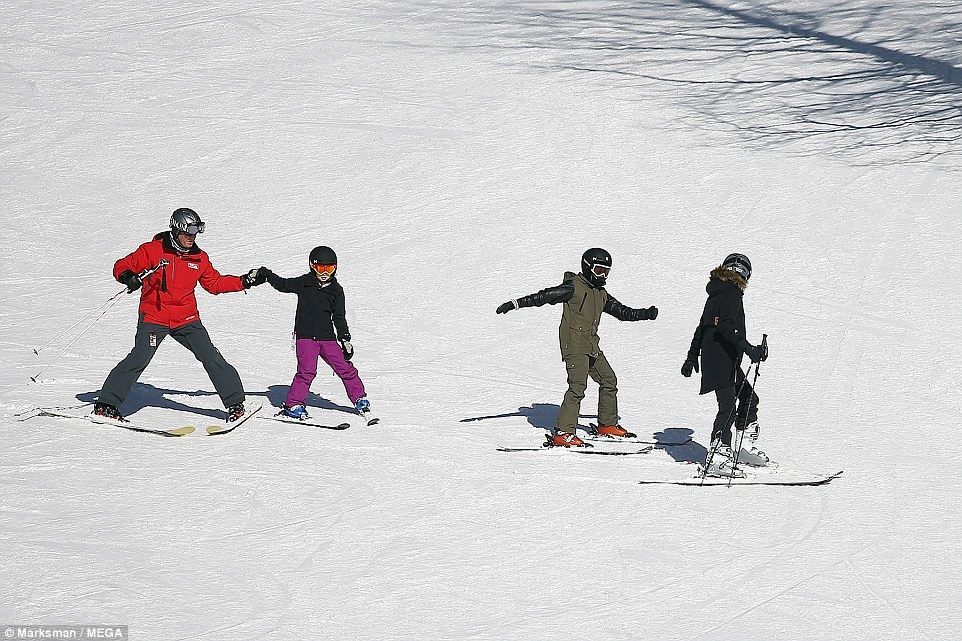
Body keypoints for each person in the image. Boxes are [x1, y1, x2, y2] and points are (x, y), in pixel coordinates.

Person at [94, 208, 266, 422]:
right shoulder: (152, 251)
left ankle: (236, 404)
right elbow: (122, 265)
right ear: (176, 230)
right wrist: (128, 276)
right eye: (187, 233)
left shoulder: (199, 258)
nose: (191, 239)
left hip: (186, 319)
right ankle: (106, 405)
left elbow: (214, 283)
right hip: (154, 317)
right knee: (139, 358)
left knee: (210, 356)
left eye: (195, 234)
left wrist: (244, 281)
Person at [496, 248, 659, 447]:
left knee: (609, 380)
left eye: (606, 271)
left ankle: (606, 424)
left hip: (591, 345)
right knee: (577, 388)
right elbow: (543, 297)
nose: (603, 275)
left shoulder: (601, 294)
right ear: (588, 267)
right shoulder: (573, 287)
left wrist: (644, 314)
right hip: (574, 346)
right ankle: (563, 433)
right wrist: (515, 304)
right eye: (599, 270)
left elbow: (622, 312)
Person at [257, 246, 373, 422]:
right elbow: (282, 284)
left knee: (345, 368)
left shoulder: (336, 291)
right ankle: (293, 405)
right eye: (321, 268)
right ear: (312, 265)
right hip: (305, 337)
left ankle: (359, 399)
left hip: (327, 338)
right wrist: (266, 274)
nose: (325, 272)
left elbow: (339, 317)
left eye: (330, 268)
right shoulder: (304, 283)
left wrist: (345, 339)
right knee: (306, 372)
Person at [681, 253, 769, 476]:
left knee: (749, 397)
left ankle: (743, 448)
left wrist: (691, 357)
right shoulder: (731, 293)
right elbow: (726, 329)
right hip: (720, 359)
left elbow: (702, 328)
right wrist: (749, 348)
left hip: (721, 358)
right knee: (728, 406)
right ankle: (717, 456)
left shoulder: (716, 292)